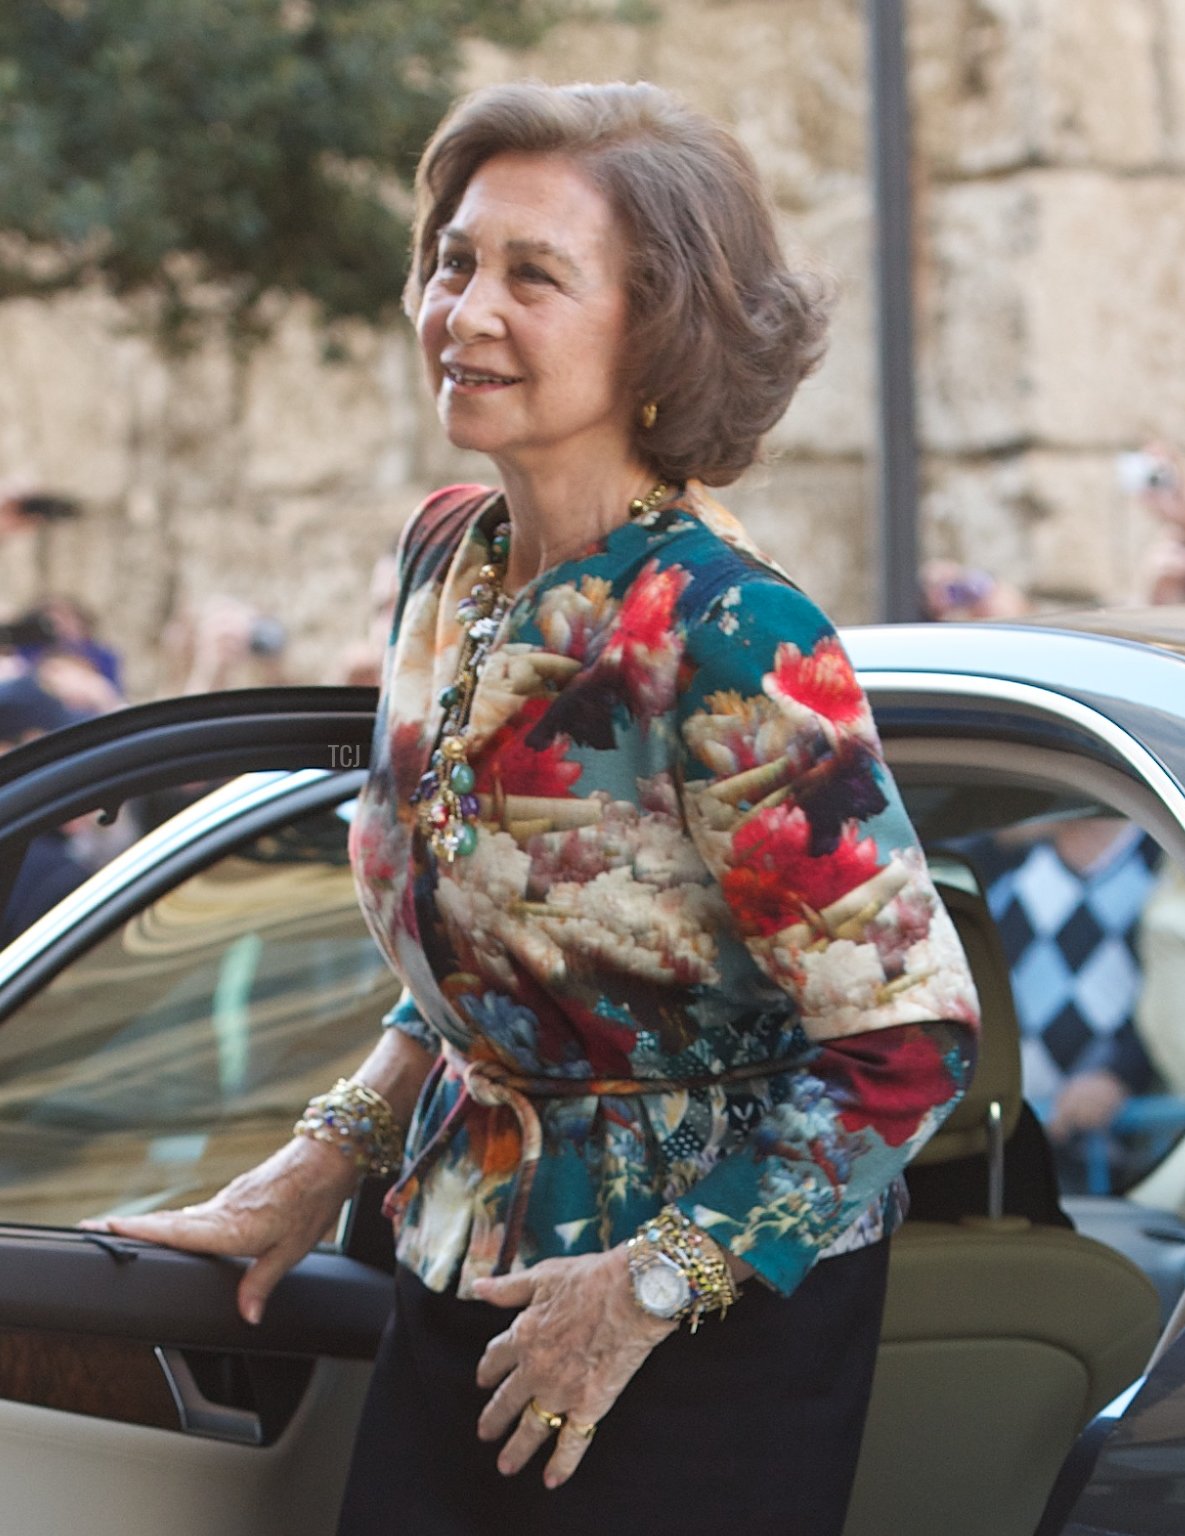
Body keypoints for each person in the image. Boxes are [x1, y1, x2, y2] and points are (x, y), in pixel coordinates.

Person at [88, 82, 979, 1536]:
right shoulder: (447, 556)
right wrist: (319, 1163)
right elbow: (490, 957)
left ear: (658, 328)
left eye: (532, 275)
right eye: (453, 258)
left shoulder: (727, 633)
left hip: (696, 1324)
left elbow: (907, 1041)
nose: (465, 309)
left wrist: (640, 1291)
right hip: (456, 1257)